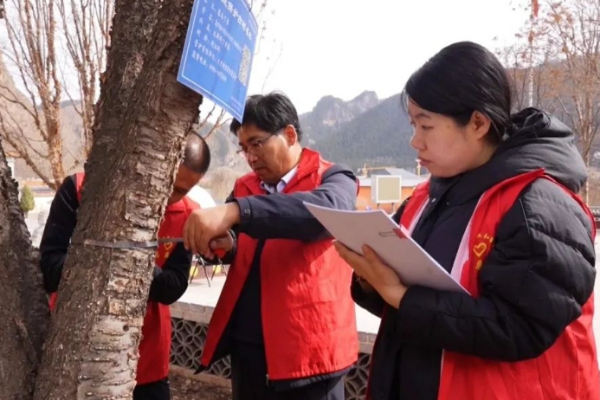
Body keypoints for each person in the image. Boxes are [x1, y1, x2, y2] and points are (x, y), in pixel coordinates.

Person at [334, 41, 599, 400]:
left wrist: (402, 296)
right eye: (413, 125)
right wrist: (372, 280)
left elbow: (520, 327)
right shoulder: (424, 198)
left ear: (477, 123)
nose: (415, 141)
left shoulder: (538, 205)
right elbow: (406, 308)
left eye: (426, 126)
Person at [183, 92, 359, 400]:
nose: (250, 157)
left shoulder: (333, 178)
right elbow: (239, 243)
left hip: (311, 351)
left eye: (257, 144)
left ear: (289, 135)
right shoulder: (245, 187)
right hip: (251, 347)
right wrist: (224, 245)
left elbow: (325, 213)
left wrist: (239, 211)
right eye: (243, 148)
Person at [39, 133, 211, 400]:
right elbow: (49, 268)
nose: (167, 197)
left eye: (180, 191)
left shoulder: (189, 215)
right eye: (166, 183)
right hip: (73, 349)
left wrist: (132, 265)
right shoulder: (81, 190)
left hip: (146, 357)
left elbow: (173, 286)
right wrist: (111, 259)